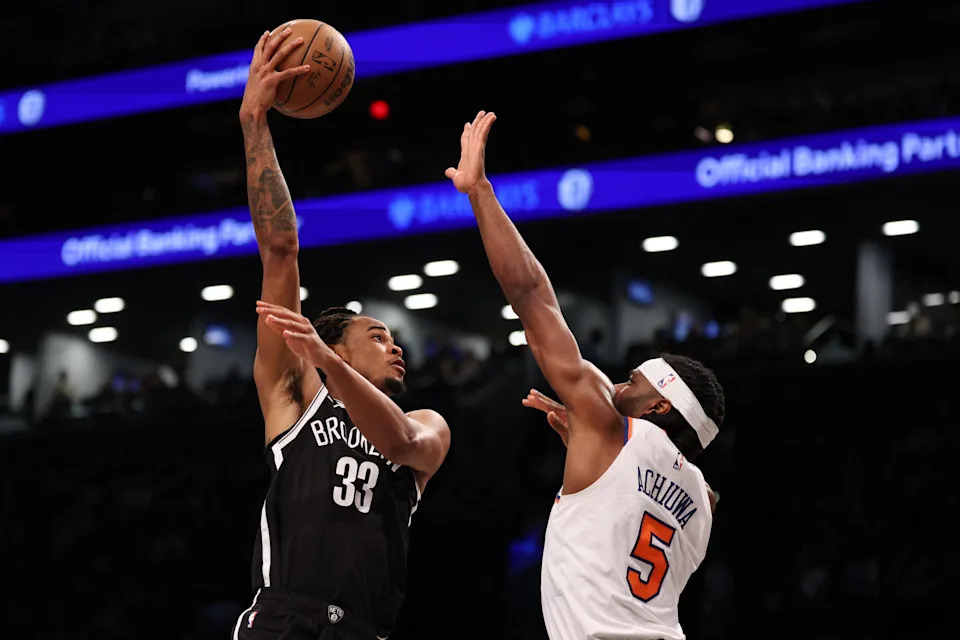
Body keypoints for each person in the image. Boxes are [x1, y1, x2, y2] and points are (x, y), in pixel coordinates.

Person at [445, 111, 725, 640]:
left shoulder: (611, 426)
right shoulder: (703, 502)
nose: (619, 382)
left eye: (634, 381)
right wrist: (594, 449)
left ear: (660, 406)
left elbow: (533, 299)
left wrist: (479, 191)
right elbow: (659, 485)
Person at [234, 27, 451, 640]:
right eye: (378, 335)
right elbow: (280, 247)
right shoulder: (297, 399)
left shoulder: (429, 423)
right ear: (335, 345)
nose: (396, 345)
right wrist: (255, 121)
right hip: (282, 620)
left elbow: (405, 441)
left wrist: (332, 363)